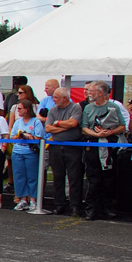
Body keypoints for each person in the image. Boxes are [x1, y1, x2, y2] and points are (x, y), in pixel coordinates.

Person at [81, 80, 127, 220]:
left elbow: (122, 126)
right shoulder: (88, 108)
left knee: (108, 178)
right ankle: (91, 208)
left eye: (92, 91)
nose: (89, 93)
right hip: (93, 146)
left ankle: (106, 207)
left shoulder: (113, 107)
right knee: (93, 179)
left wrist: (109, 133)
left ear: (100, 93)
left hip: (109, 146)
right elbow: (84, 128)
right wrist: (96, 134)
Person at [44, 87, 85, 216]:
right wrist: (63, 126)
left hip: (72, 147)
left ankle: (75, 206)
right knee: (58, 177)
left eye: (56, 97)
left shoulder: (75, 108)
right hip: (56, 147)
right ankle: (59, 204)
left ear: (64, 98)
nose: (53, 100)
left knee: (74, 177)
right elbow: (48, 128)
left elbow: (73, 124)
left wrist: (57, 124)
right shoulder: (52, 110)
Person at [9, 99, 45, 211]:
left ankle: (33, 199)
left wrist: (28, 136)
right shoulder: (17, 122)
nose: (18, 111)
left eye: (20, 108)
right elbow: (12, 136)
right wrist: (19, 136)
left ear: (27, 109)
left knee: (32, 176)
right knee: (19, 176)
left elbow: (39, 137)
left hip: (30, 152)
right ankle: (23, 199)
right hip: (18, 151)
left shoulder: (36, 122)